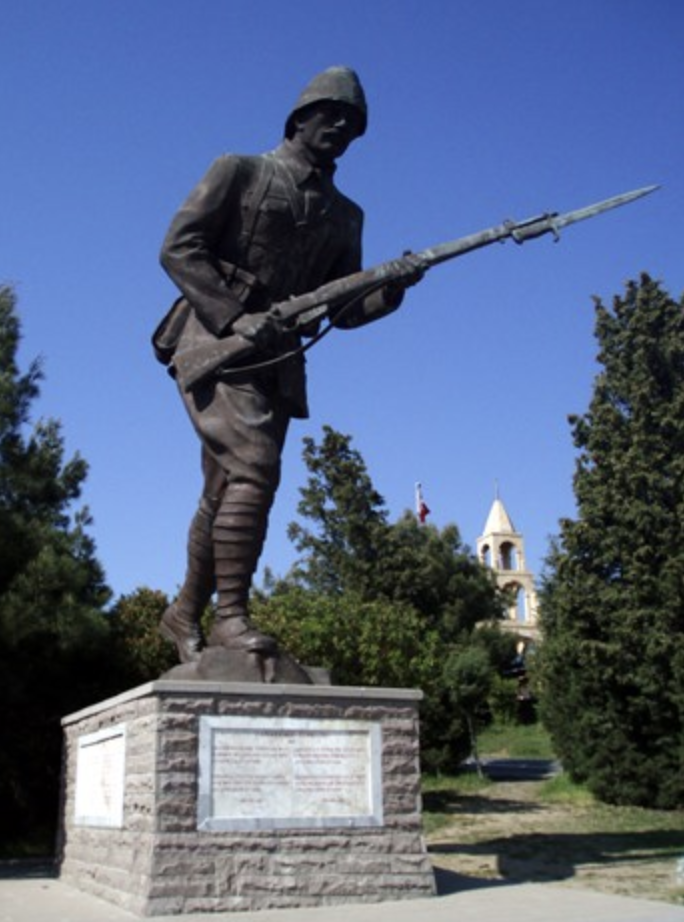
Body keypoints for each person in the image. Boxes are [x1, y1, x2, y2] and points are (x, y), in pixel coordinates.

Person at [154, 66, 421, 666]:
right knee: (256, 469)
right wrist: (232, 315)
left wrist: (392, 288)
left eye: (352, 124)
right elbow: (179, 246)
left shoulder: (346, 216)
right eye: (331, 114)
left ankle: (183, 611)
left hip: (278, 360)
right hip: (214, 341)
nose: (340, 128)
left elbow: (342, 307)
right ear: (300, 116)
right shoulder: (241, 170)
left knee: (225, 487)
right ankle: (230, 619)